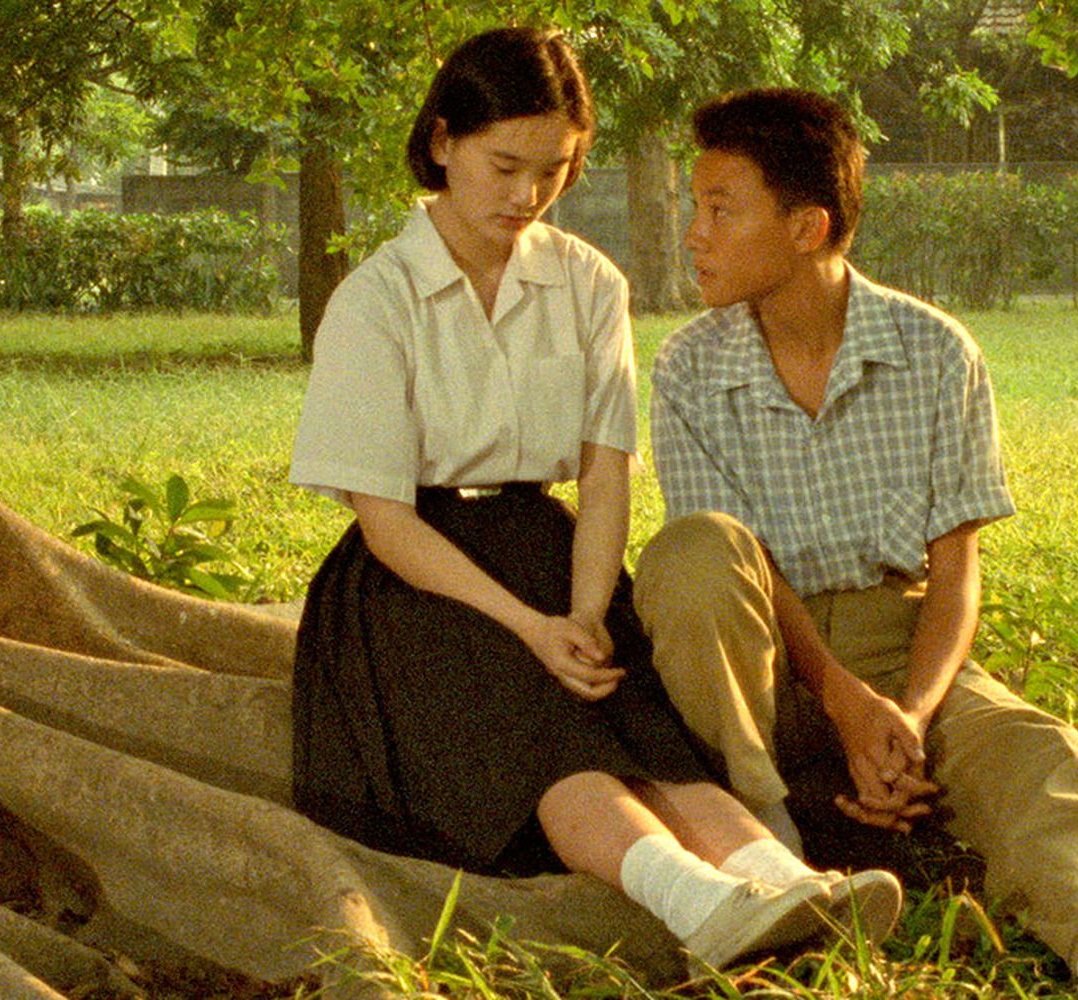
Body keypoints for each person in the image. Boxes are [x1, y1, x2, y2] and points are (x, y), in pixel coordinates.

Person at [634, 87, 1078, 999]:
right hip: (754, 660)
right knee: (692, 552)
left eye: (720, 209)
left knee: (1039, 752)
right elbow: (734, 572)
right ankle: (773, 860)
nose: (694, 234)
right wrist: (839, 702)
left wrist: (909, 717)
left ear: (807, 228)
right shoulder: (689, 367)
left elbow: (956, 572)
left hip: (897, 642)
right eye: (693, 208)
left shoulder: (935, 352)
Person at [287, 32, 902, 971]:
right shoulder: (377, 299)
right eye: (504, 165)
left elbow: (605, 469)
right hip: (414, 578)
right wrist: (529, 628)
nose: (525, 196)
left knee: (639, 718)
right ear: (443, 141)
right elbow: (385, 519)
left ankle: (784, 881)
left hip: (548, 545)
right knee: (545, 725)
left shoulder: (586, 282)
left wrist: (579, 610)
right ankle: (697, 901)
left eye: (554, 171)